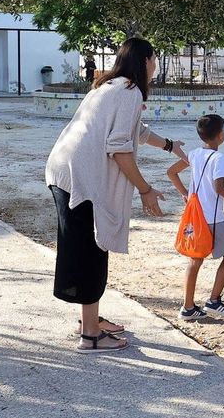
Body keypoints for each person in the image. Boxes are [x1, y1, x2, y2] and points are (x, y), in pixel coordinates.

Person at [44, 37, 183, 353]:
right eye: (155, 59)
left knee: (87, 247)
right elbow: (119, 148)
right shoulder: (129, 91)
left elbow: (136, 132)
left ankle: (89, 319)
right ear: (145, 60)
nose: (156, 66)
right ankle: (90, 335)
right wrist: (145, 190)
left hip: (65, 170)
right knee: (90, 249)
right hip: (80, 177)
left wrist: (170, 146)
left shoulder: (110, 85)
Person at [168, 115, 224, 321]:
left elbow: (171, 172)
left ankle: (188, 307)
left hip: (195, 216)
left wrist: (185, 193)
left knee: (195, 261)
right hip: (213, 217)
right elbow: (219, 188)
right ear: (220, 135)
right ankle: (214, 300)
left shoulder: (194, 154)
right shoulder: (220, 159)